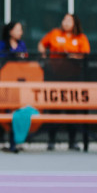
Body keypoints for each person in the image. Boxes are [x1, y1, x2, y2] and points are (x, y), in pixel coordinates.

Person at [38, 13, 90, 151]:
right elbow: (42, 44)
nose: (66, 22)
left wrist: (71, 55)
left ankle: (72, 141)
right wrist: (45, 57)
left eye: (69, 20)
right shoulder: (55, 33)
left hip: (73, 78)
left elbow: (84, 54)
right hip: (55, 76)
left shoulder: (80, 38)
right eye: (64, 19)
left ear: (75, 23)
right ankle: (51, 140)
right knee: (54, 110)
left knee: (71, 111)